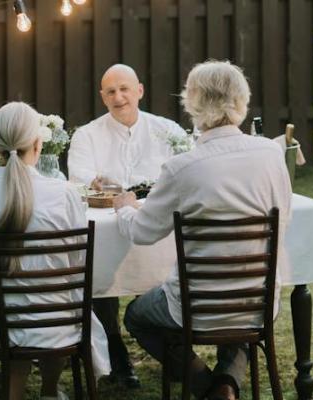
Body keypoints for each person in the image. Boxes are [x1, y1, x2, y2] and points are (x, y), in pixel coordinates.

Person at [113, 61, 292, 400]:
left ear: (192, 101)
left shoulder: (182, 168)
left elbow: (143, 233)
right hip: (259, 299)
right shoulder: (271, 153)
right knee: (240, 312)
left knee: (136, 316)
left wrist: (124, 207)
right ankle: (226, 385)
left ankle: (204, 385)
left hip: (194, 307)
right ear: (242, 100)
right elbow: (283, 218)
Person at [0, 102, 111, 400]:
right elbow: (79, 265)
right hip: (59, 323)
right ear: (38, 143)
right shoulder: (64, 194)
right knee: (58, 301)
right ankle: (50, 392)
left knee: (19, 310)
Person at [68, 64, 187, 386]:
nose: (119, 97)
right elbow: (82, 183)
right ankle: (118, 359)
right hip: (107, 231)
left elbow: (183, 173)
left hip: (158, 228)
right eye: (111, 91)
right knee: (98, 276)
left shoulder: (169, 130)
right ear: (102, 97)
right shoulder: (86, 135)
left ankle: (178, 358)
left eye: (124, 89)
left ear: (140, 90)